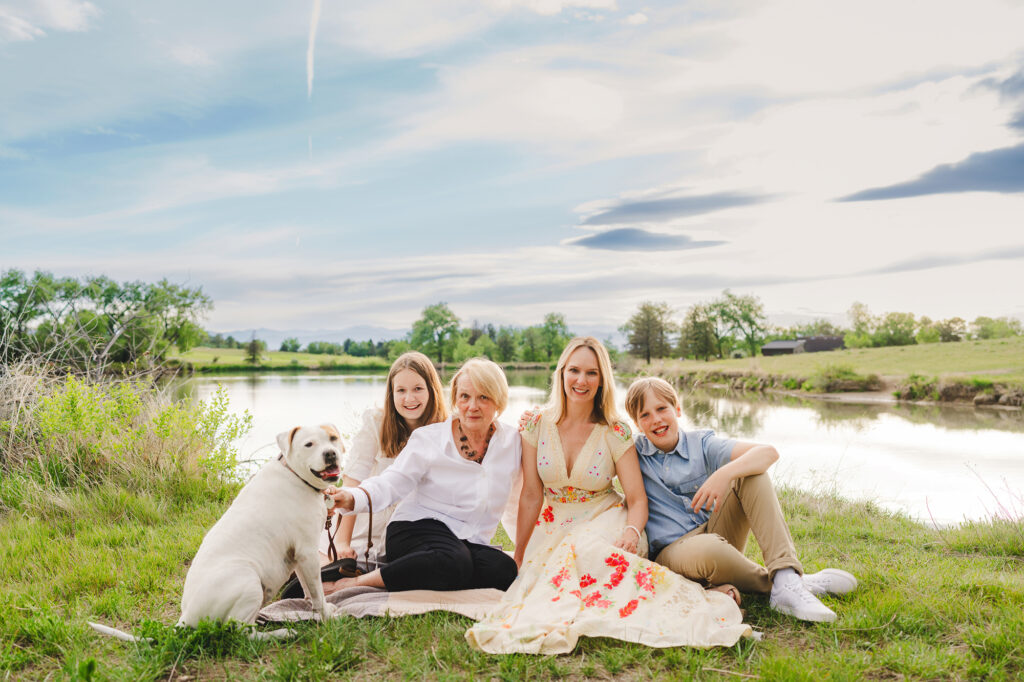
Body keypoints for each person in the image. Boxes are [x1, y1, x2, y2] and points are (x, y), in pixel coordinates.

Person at [466, 338, 749, 654]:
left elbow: (637, 498)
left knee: (588, 553)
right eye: (574, 370)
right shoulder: (535, 423)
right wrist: (518, 554)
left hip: (606, 516)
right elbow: (532, 494)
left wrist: (631, 530)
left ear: (602, 380)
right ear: (561, 373)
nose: (581, 381)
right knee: (543, 582)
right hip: (552, 522)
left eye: (592, 373)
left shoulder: (616, 430)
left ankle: (701, 598)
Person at [624, 377, 858, 623]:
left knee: (751, 474)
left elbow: (767, 453)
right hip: (674, 553)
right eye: (645, 415)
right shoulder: (632, 454)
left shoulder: (701, 443)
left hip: (717, 534)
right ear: (637, 424)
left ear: (677, 409)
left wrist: (724, 473)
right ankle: (785, 583)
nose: (657, 420)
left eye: (662, 409)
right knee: (708, 547)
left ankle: (786, 574)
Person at [325, 358, 521, 593]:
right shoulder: (429, 438)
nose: (472, 406)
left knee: (503, 569)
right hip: (416, 528)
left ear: (499, 399)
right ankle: (357, 582)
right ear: (456, 399)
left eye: (484, 397)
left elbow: (521, 498)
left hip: (466, 541)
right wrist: (351, 497)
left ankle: (425, 572)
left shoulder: (512, 442)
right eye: (465, 397)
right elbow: (391, 482)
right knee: (454, 561)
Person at [320, 351, 447, 567]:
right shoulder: (376, 423)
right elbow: (353, 482)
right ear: (391, 393)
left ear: (432, 391)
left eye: (418, 389)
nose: (409, 398)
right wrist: (342, 542)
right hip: (370, 524)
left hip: (416, 527)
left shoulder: (445, 429)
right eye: (401, 390)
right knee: (343, 564)